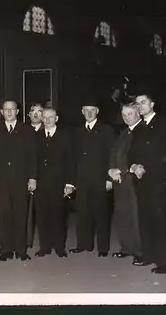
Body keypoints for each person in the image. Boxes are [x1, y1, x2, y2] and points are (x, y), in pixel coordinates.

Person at [128, 93, 166, 274]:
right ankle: (149, 255)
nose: (140, 106)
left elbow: (164, 152)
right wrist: (134, 165)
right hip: (141, 181)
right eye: (137, 104)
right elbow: (131, 152)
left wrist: (144, 167)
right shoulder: (139, 128)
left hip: (158, 179)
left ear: (152, 103)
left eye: (143, 102)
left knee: (161, 220)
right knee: (146, 218)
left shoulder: (164, 124)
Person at [0, 100, 37, 261]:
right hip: (2, 181)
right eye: (6, 110)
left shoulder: (26, 130)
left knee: (21, 215)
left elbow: (32, 156)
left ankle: (21, 250)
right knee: (5, 215)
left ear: (17, 111)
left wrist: (32, 178)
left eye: (12, 109)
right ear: (1, 112)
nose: (9, 112)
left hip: (21, 180)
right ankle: (6, 249)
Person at [70, 98, 115, 257]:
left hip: (100, 179)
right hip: (82, 180)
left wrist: (109, 179)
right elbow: (73, 158)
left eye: (92, 110)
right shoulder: (76, 132)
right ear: (82, 112)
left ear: (97, 111)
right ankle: (84, 244)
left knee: (101, 214)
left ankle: (103, 248)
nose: (89, 113)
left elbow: (112, 156)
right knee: (82, 214)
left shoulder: (107, 130)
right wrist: (73, 181)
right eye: (86, 110)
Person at [34, 107, 75, 257]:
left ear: (56, 118)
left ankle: (59, 246)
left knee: (58, 215)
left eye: (51, 117)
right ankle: (44, 246)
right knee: (42, 216)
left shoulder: (65, 136)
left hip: (59, 183)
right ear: (42, 119)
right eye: (45, 117)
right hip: (41, 183)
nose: (48, 120)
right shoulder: (37, 136)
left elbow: (71, 161)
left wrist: (70, 183)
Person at [108, 103, 143, 264]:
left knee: (136, 216)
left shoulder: (143, 132)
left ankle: (140, 251)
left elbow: (139, 158)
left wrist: (121, 171)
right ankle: (127, 247)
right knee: (123, 215)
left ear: (138, 114)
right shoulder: (123, 133)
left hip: (135, 182)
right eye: (124, 114)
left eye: (130, 114)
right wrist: (111, 169)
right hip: (120, 182)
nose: (126, 117)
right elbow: (114, 154)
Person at [27, 103, 44, 248]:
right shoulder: (22, 130)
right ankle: (26, 241)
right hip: (26, 176)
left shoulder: (48, 130)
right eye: (33, 111)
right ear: (28, 114)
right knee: (26, 210)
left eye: (40, 111)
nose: (36, 114)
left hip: (44, 177)